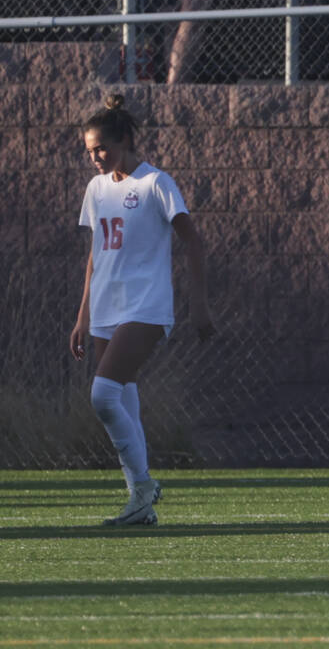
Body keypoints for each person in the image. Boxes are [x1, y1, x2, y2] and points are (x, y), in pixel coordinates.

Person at [70, 94, 213, 526]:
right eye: (90, 151)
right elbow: (96, 254)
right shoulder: (97, 189)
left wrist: (199, 306)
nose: (95, 158)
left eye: (102, 149)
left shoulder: (156, 183)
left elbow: (193, 241)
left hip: (146, 305)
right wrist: (82, 316)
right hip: (105, 306)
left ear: (126, 141)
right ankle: (140, 503)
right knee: (124, 398)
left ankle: (144, 484)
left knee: (103, 395)